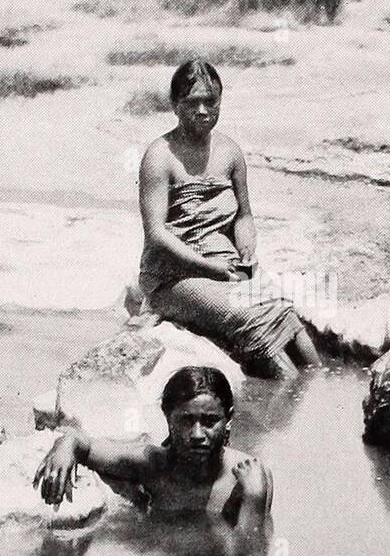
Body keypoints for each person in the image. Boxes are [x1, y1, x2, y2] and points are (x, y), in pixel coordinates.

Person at [137, 59, 321, 378]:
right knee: (247, 318)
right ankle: (289, 394)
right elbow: (156, 234)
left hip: (224, 265)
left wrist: (247, 250)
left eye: (212, 101)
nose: (203, 110)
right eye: (193, 102)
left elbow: (244, 217)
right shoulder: (160, 155)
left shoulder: (230, 152)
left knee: (284, 311)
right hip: (173, 276)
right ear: (175, 105)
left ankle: (318, 387)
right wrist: (209, 267)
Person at [33, 365, 271, 534]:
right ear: (167, 418)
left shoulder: (248, 477)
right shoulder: (152, 464)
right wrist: (66, 445)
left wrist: (254, 497)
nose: (198, 434)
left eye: (210, 421)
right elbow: (86, 446)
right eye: (186, 421)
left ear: (228, 419)